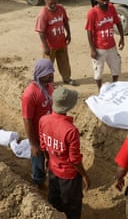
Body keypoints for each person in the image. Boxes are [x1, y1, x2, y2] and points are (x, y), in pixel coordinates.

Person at [39, 86, 90, 219]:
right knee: (72, 206)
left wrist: (48, 159)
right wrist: (84, 175)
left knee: (54, 201)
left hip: (52, 170)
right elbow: (74, 160)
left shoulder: (43, 120)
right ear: (68, 106)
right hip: (68, 176)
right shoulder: (71, 130)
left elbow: (43, 145)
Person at [21, 58, 55, 188]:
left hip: (49, 133)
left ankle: (53, 180)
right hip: (38, 136)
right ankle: (38, 183)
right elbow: (27, 119)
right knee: (38, 161)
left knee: (52, 160)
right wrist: (33, 143)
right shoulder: (30, 94)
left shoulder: (49, 87)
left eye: (52, 72)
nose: (51, 75)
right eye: (47, 73)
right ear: (40, 74)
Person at [85, 0, 125, 91]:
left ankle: (115, 86)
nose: (105, 2)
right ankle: (100, 89)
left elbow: (118, 22)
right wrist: (92, 49)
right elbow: (89, 31)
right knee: (98, 70)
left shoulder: (111, 8)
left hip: (111, 45)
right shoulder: (92, 13)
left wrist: (122, 37)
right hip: (99, 47)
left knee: (116, 66)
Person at [35, 0, 77, 86]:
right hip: (50, 46)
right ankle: (48, 83)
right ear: (46, 3)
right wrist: (46, 46)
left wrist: (69, 34)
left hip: (61, 42)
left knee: (64, 62)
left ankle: (67, 78)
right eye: (51, 3)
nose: (54, 5)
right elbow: (41, 32)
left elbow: (65, 22)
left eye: (55, 2)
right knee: (48, 65)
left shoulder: (61, 9)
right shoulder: (43, 14)